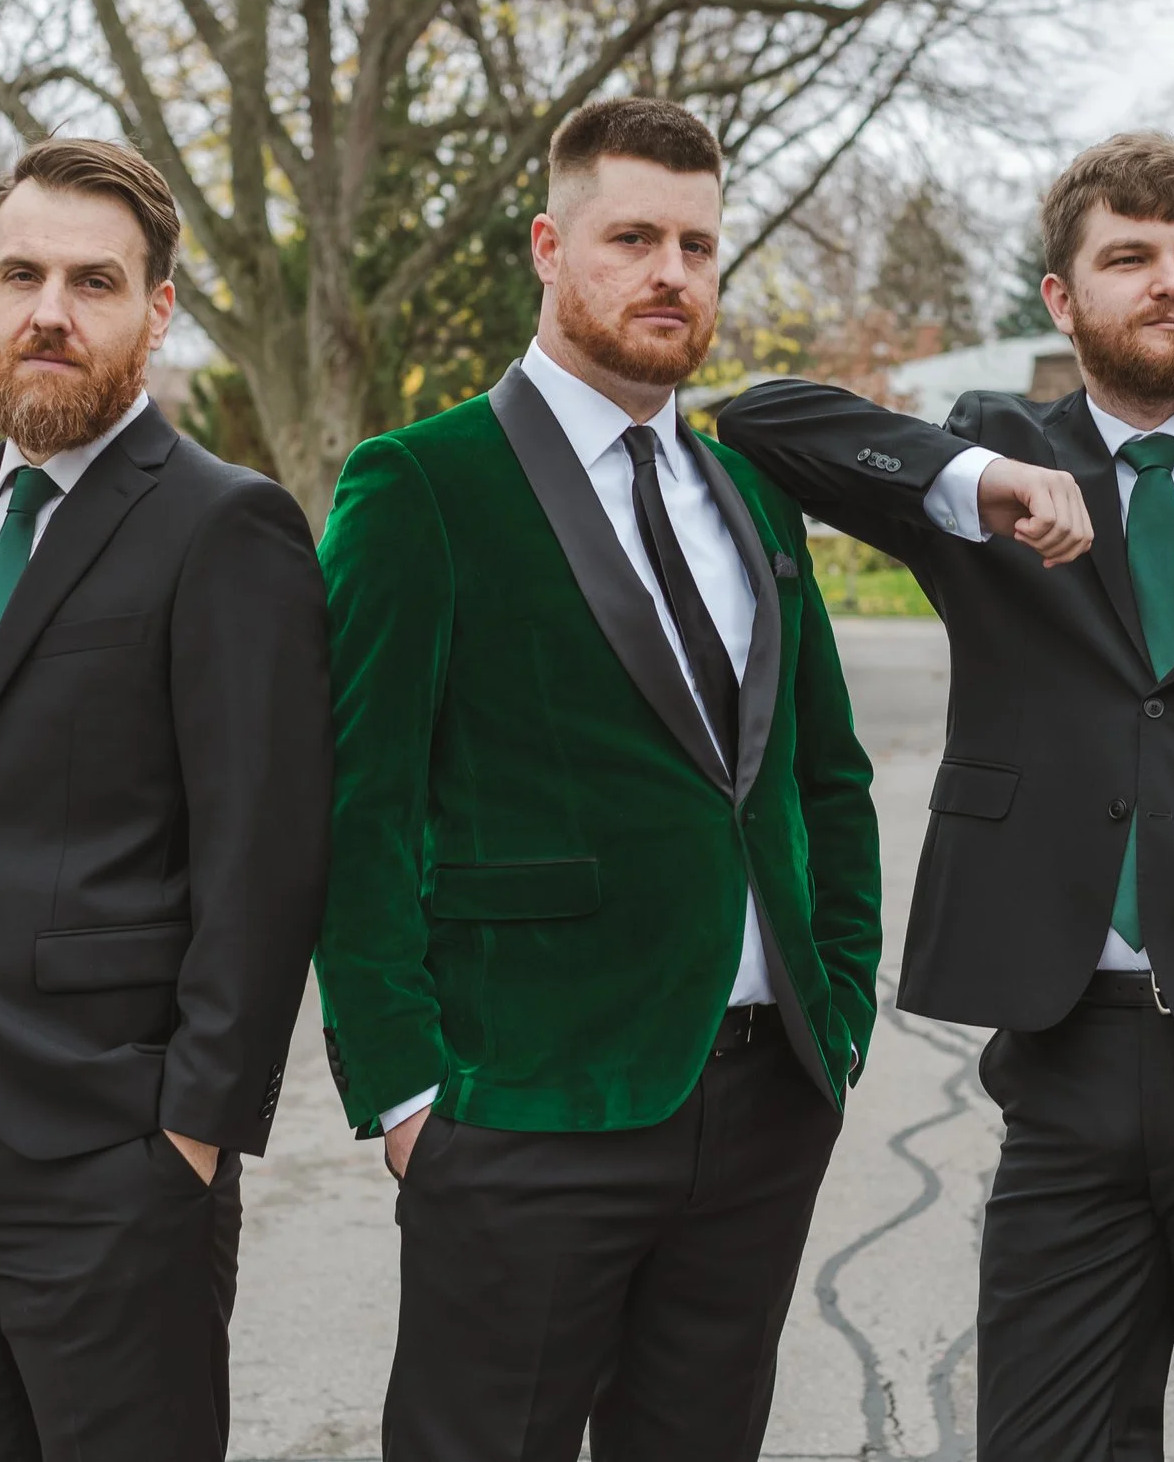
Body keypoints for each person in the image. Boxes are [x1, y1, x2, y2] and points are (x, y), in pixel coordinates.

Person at [717, 132, 1174, 1461]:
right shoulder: (990, 457)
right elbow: (760, 418)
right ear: (1061, 296)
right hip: (1066, 1050)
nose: (1173, 281)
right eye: (1132, 257)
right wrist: (969, 483)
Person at [311, 96, 883, 1462]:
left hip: (762, 1097)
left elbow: (822, 772)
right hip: (525, 1100)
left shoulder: (747, 489)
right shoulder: (420, 483)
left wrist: (839, 1008)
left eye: (697, 242)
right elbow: (353, 805)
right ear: (550, 244)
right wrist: (405, 1095)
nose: (670, 271)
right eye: (632, 235)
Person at [0, 137, 331, 1460]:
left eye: (93, 281)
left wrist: (193, 1132)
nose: (51, 308)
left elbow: (264, 851)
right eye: (23, 274)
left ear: (156, 310)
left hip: (107, 1153)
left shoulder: (227, 525)